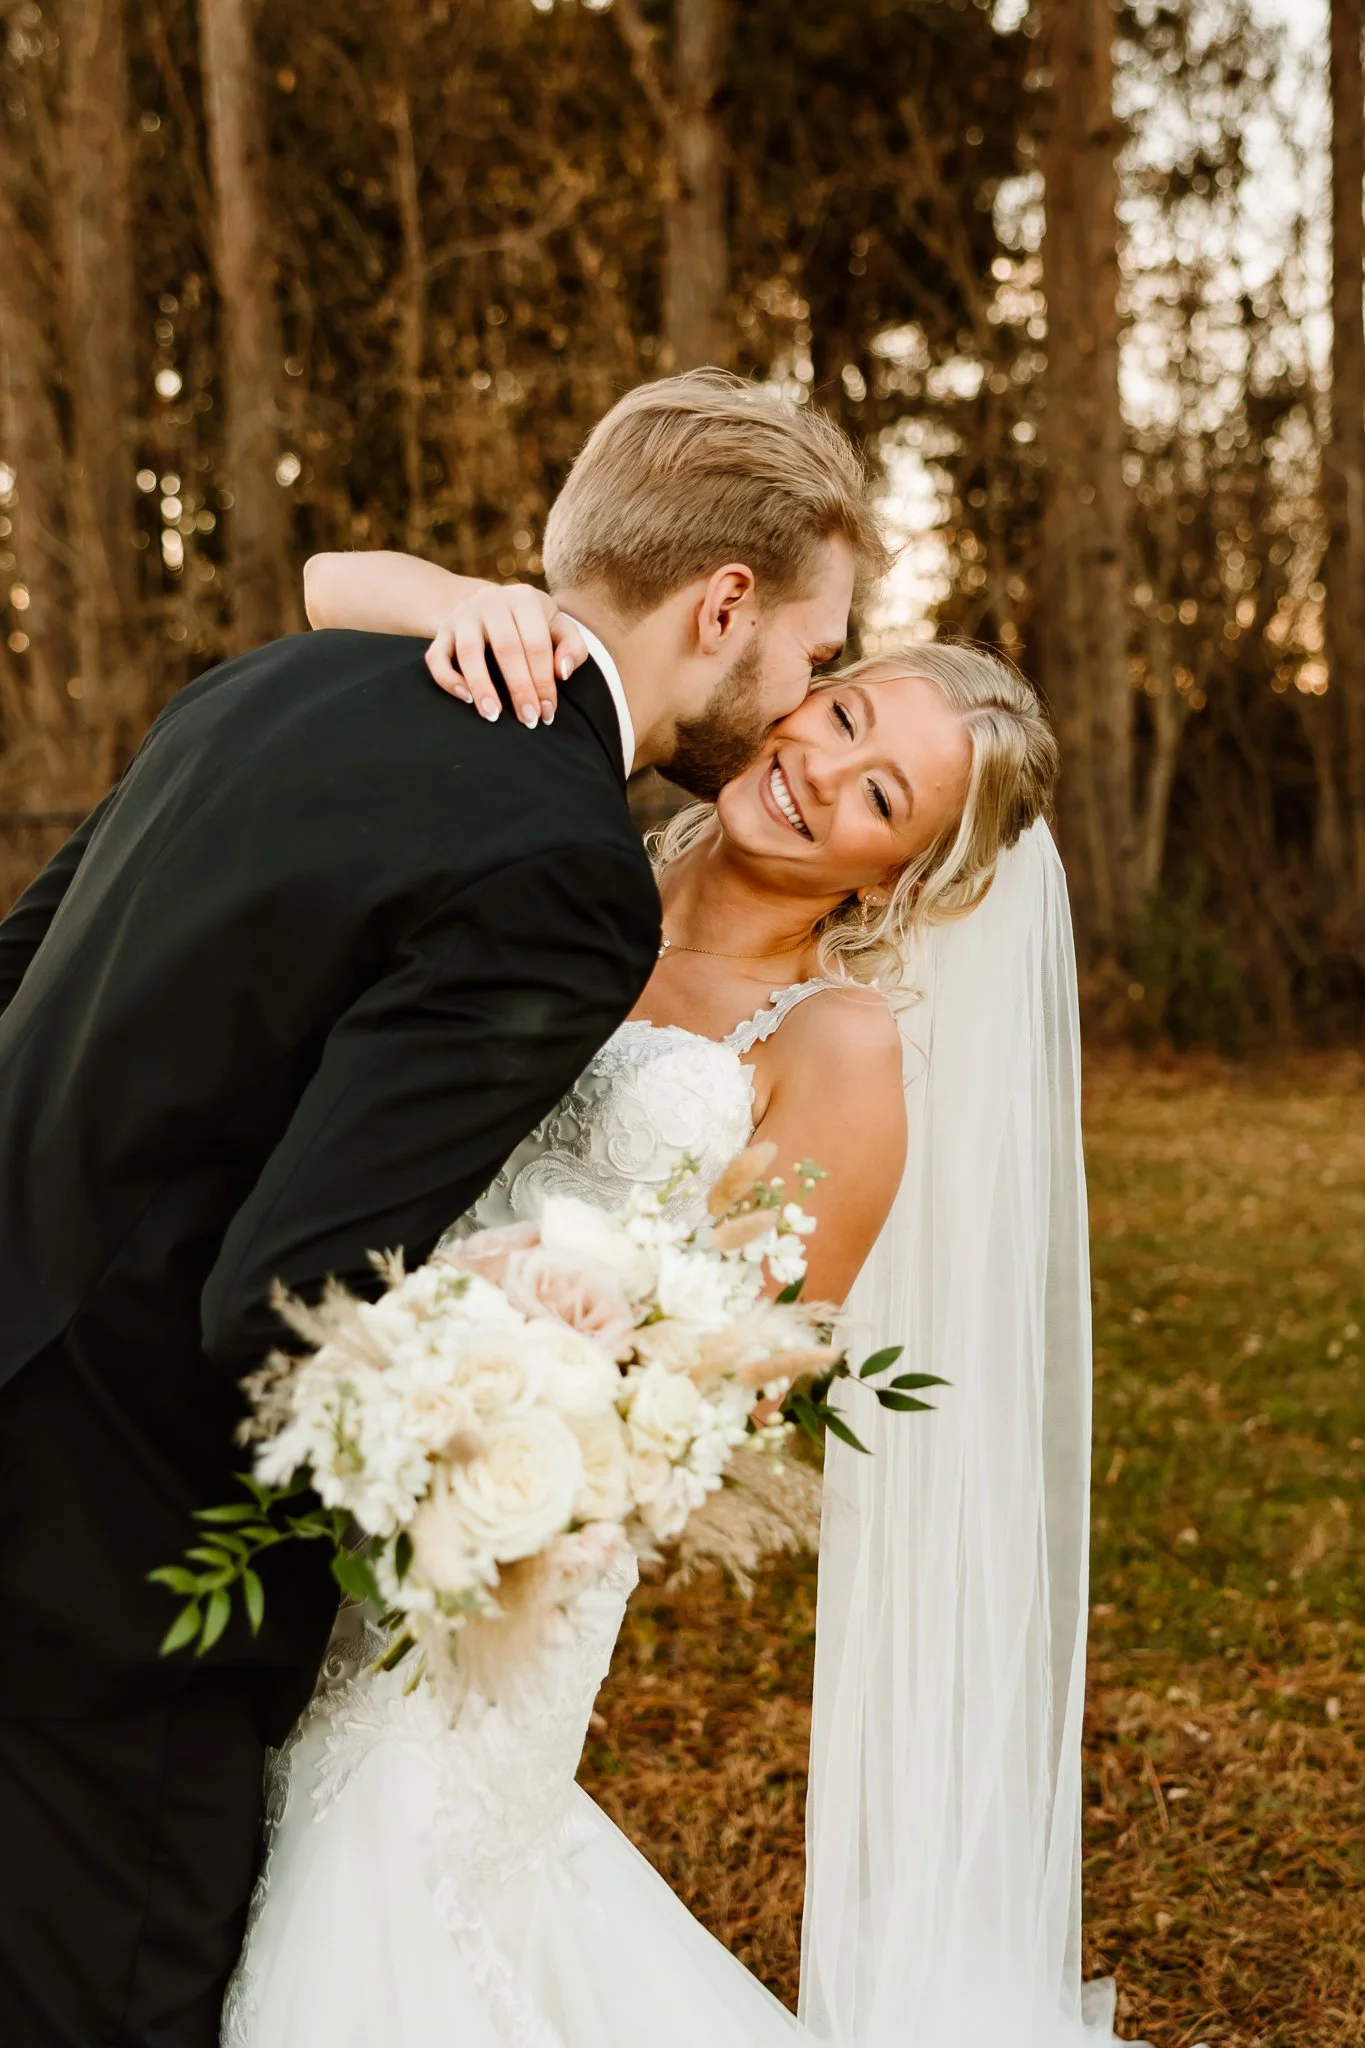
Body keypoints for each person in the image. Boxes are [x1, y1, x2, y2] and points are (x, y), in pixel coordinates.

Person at [0, 369, 887, 2048]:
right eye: (816, 653)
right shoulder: (558, 870)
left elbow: (11, 985)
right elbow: (285, 1295)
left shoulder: (264, 688)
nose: (802, 697)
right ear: (723, 603)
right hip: (119, 1555)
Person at [224, 559, 1091, 2048]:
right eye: (842, 715)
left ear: (896, 878)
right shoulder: (564, 853)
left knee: (365, 1875)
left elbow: (739, 1380)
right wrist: (480, 605)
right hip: (285, 1402)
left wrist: (506, 1420)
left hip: (511, 1532)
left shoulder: (836, 1049)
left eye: (883, 798)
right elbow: (324, 587)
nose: (823, 772)